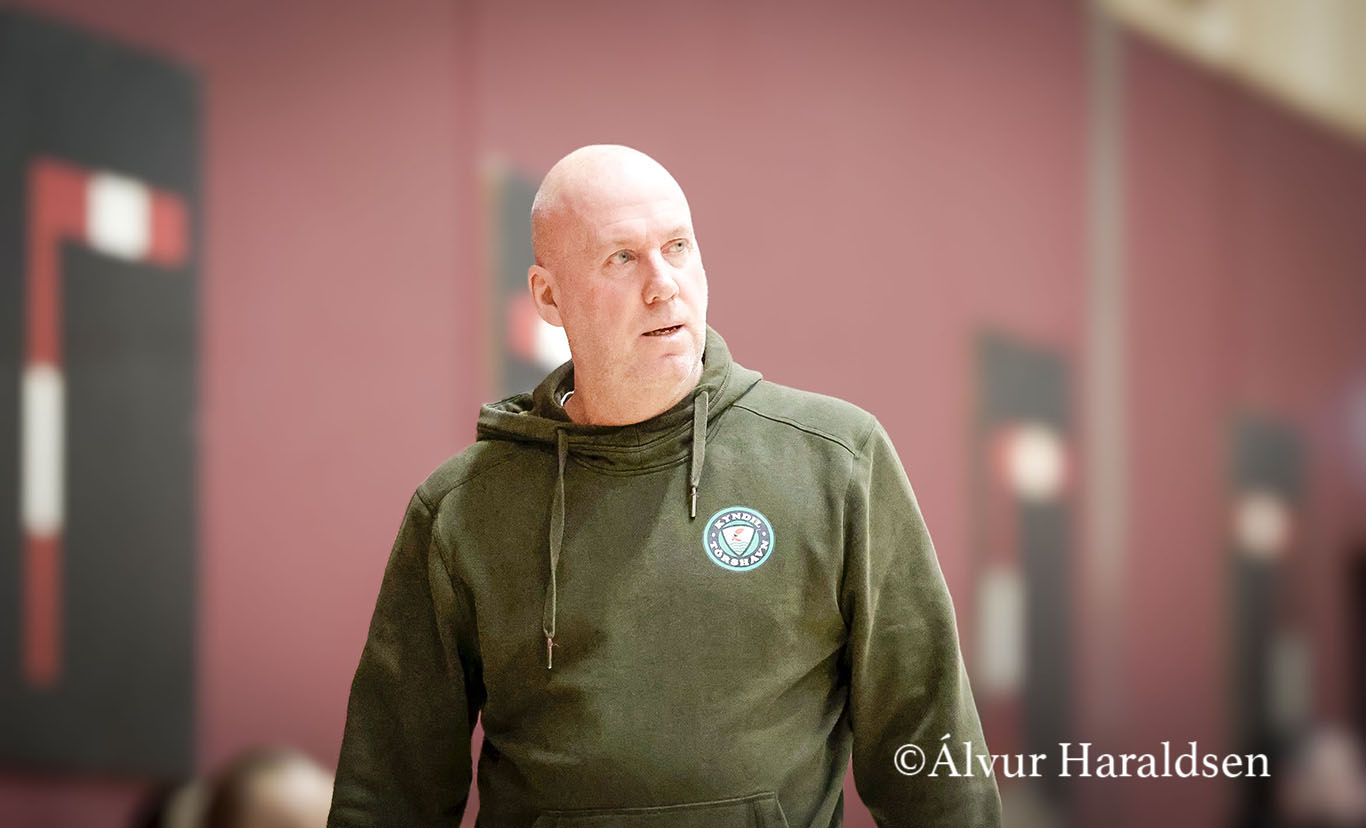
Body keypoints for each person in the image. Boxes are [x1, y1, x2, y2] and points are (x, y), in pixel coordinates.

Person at [327, 145, 1001, 827]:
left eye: (678, 247)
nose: (663, 285)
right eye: (622, 258)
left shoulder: (836, 460)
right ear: (549, 296)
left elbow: (933, 757)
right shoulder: (461, 509)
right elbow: (387, 795)